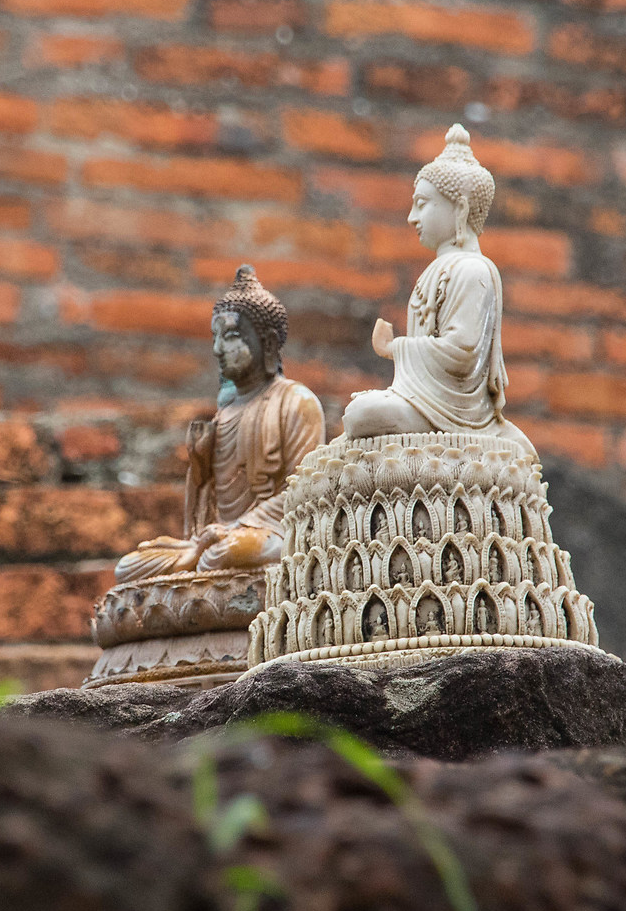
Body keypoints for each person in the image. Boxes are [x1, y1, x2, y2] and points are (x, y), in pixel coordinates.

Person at [114, 265, 326, 581]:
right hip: (216, 540)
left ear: (267, 343)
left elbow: (305, 495)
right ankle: (195, 564)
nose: (217, 350)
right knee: (128, 567)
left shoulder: (296, 402)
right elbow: (203, 517)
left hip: (269, 535)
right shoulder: (224, 412)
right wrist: (200, 468)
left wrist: (235, 529)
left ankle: (198, 565)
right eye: (215, 337)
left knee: (231, 553)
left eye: (230, 337)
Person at [340, 124, 535, 456]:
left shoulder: (473, 270)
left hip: (457, 410)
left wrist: (394, 348)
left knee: (363, 415)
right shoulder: (438, 270)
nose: (411, 217)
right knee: (359, 412)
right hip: (425, 397)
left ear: (459, 209)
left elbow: (463, 351)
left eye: (422, 204)